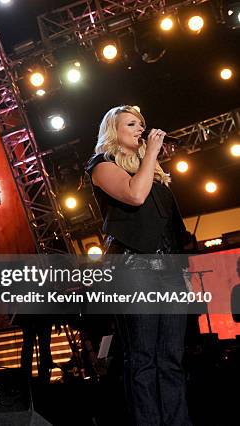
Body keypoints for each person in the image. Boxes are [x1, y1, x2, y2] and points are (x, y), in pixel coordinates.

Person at [85, 105, 191, 425]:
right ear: (113, 131)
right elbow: (134, 196)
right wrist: (152, 154)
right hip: (134, 268)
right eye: (131, 123)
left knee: (171, 359)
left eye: (141, 124)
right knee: (143, 358)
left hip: (168, 270)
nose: (140, 128)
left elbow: (169, 224)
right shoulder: (101, 165)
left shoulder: (155, 174)